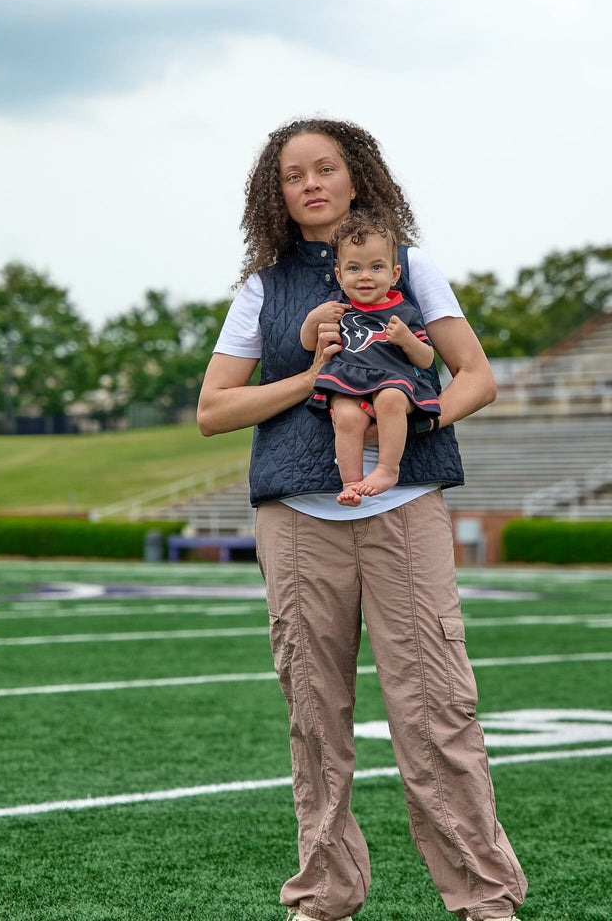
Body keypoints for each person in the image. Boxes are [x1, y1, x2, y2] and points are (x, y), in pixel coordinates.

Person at [197, 117, 526, 921]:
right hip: (299, 520)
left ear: (357, 177)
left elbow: (476, 376)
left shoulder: (414, 266)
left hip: (404, 509)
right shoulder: (263, 289)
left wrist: (419, 420)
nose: (309, 184)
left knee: (436, 709)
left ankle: (485, 901)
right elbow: (212, 409)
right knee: (314, 714)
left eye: (325, 169)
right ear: (274, 195)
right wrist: (309, 372)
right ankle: (323, 895)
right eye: (291, 175)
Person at [301, 210, 441, 506]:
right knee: (347, 416)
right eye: (354, 268)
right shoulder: (336, 306)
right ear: (339, 275)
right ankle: (351, 482)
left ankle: (388, 469)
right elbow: (306, 342)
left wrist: (406, 339)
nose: (365, 276)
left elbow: (426, 359)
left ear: (394, 274)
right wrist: (314, 319)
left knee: (389, 399)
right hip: (347, 380)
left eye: (376, 267)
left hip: (394, 381)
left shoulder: (404, 312)